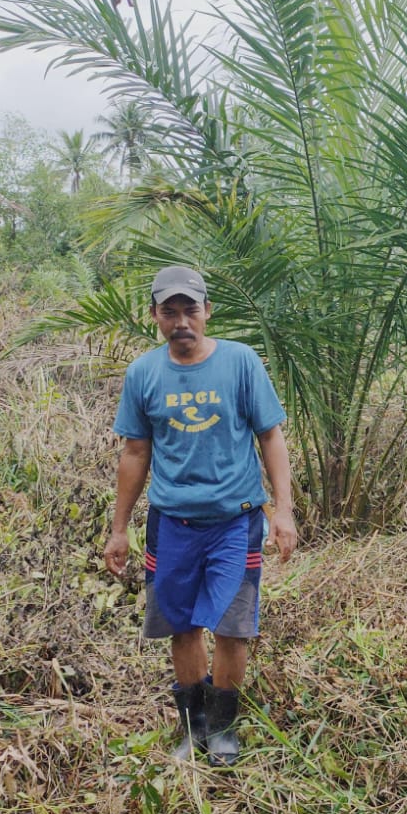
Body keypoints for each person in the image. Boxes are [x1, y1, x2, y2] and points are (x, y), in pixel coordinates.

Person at [105, 266, 297, 766]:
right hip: (172, 524)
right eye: (170, 311)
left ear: (207, 311)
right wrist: (119, 528)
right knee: (183, 626)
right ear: (155, 317)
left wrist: (284, 512)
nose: (181, 320)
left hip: (235, 521)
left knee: (233, 628)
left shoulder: (240, 362)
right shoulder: (143, 373)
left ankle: (225, 727)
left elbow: (270, 436)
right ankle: (193, 727)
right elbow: (135, 452)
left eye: (190, 309)